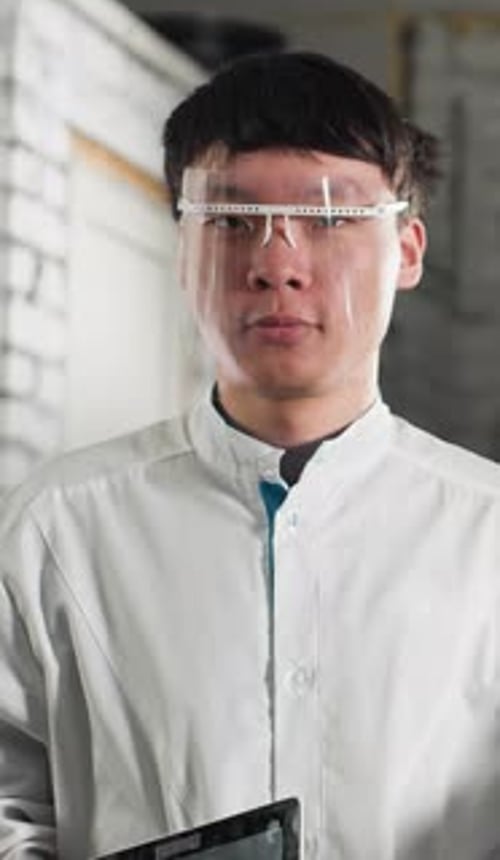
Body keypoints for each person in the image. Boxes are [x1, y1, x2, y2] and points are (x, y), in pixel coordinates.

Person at [1, 50, 500, 860]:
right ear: (183, 246)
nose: (276, 264)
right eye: (232, 222)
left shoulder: (488, 537)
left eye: (329, 220)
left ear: (407, 251)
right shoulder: (53, 531)